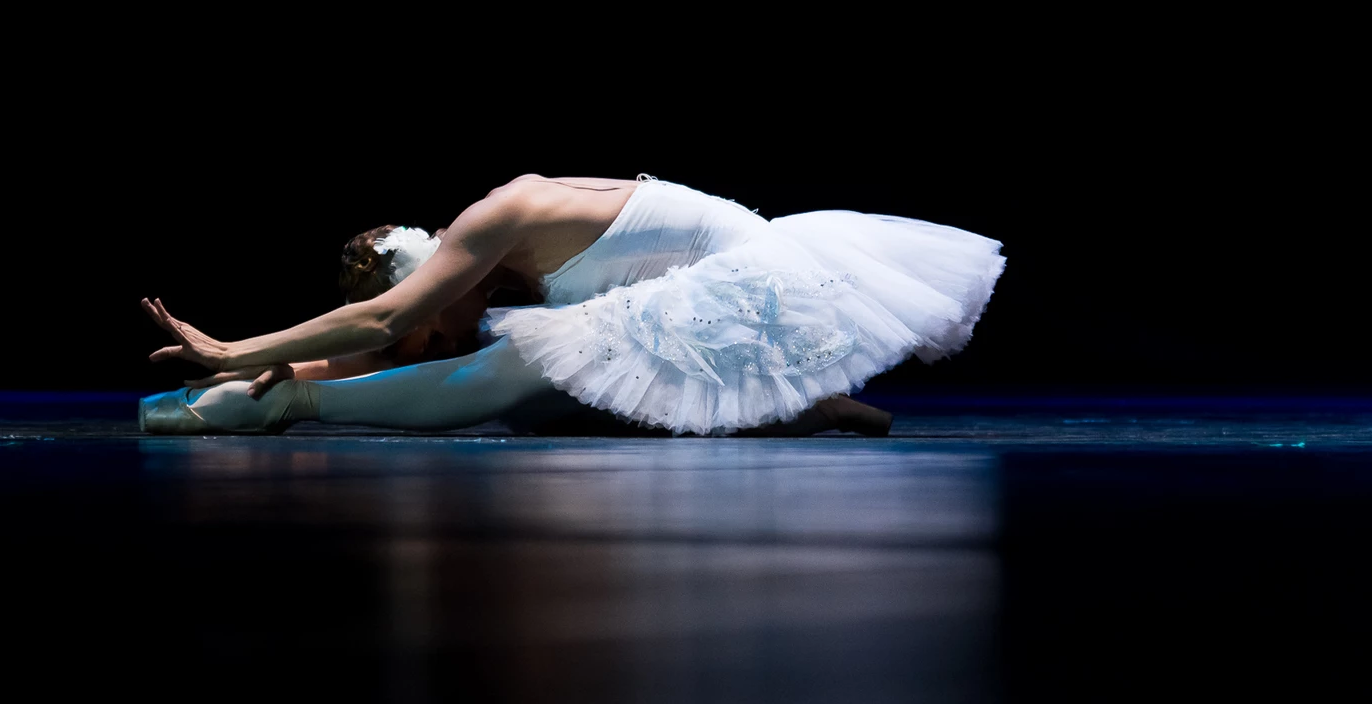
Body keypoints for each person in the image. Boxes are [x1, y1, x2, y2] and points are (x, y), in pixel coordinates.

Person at [137, 175, 1006, 437]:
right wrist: (289, 358)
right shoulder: (490, 274)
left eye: (428, 318)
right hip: (713, 299)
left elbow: (384, 327)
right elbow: (394, 344)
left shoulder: (491, 224)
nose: (429, 338)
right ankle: (820, 411)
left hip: (752, 280)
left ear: (432, 281)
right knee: (542, 394)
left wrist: (236, 354)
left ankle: (286, 407)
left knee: (513, 372)